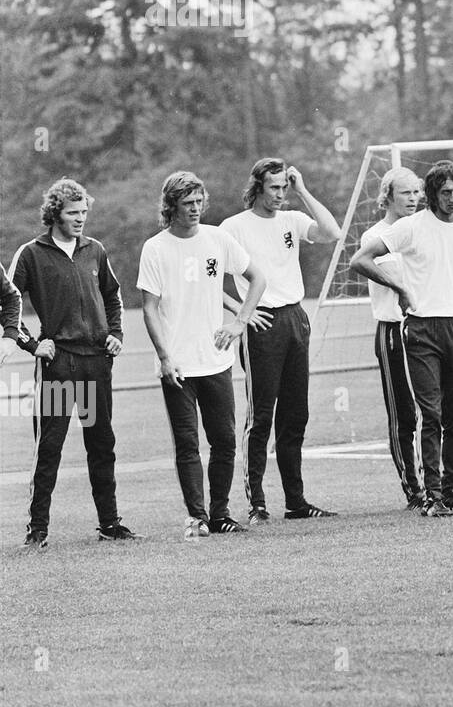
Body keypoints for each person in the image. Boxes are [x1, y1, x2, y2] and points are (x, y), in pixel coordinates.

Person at [350, 160, 453, 517]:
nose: (452, 199)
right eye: (445, 192)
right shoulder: (411, 228)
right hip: (421, 330)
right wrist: (399, 286)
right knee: (431, 414)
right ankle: (432, 495)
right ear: (433, 195)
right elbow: (361, 259)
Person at [137, 172, 267, 539]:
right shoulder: (156, 248)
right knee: (187, 443)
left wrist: (239, 322)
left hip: (217, 361)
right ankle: (196, 516)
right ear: (171, 207)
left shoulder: (218, 239)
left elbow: (258, 278)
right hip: (177, 364)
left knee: (224, 440)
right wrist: (164, 357)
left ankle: (220, 513)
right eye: (187, 204)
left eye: (199, 202)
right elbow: (149, 307)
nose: (195, 209)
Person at [9, 178, 134, 549]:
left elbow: (113, 298)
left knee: (101, 444)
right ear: (54, 214)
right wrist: (33, 345)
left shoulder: (94, 250)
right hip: (58, 367)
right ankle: (38, 531)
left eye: (84, 212)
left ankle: (110, 524)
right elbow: (7, 304)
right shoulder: (31, 253)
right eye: (72, 213)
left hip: (96, 363)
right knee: (50, 447)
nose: (80, 219)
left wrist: (116, 334)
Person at [220, 158, 341, 522]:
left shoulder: (291, 219)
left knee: (295, 415)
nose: (280, 195)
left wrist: (302, 190)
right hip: (261, 324)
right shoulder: (233, 227)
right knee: (261, 415)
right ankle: (256, 503)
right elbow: (208, 281)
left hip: (294, 318)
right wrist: (243, 312)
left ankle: (296, 501)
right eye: (274, 187)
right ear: (257, 186)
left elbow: (331, 232)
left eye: (284, 188)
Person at [358, 167, 429, 509]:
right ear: (387, 196)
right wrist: (399, 287)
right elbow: (373, 267)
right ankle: (412, 488)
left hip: (427, 328)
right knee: (403, 412)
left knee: (434, 407)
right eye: (406, 193)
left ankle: (443, 481)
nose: (413, 199)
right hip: (393, 330)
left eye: (417, 192)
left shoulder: (425, 230)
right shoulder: (376, 235)